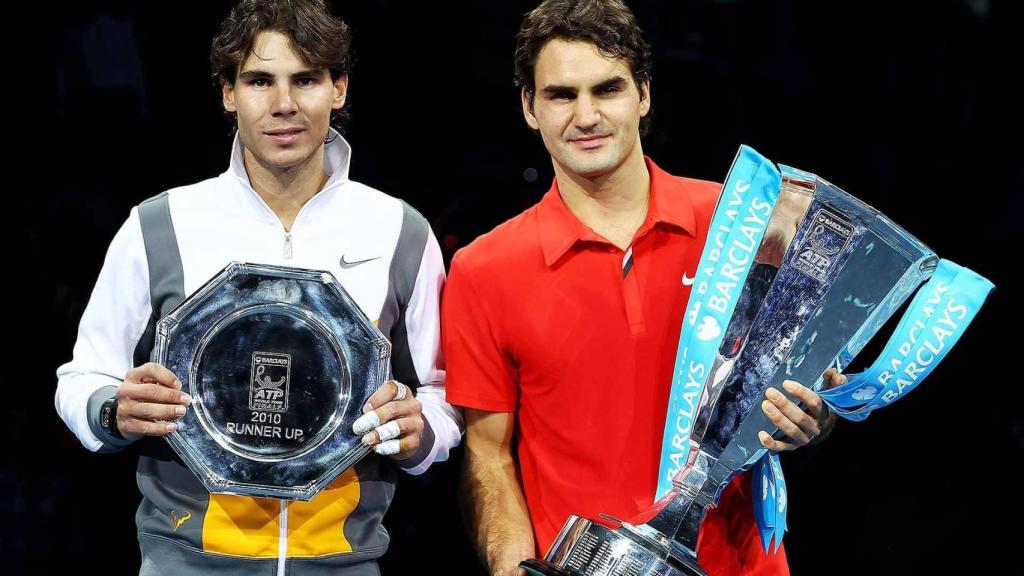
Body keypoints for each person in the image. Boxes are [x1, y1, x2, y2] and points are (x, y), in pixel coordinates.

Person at [54, 1, 461, 574]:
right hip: (186, 560)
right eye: (259, 80)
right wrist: (111, 410)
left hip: (342, 560)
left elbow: (440, 396)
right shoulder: (160, 224)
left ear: (339, 89)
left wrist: (421, 432)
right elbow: (83, 376)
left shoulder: (400, 231)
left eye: (307, 80)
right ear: (228, 93)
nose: (284, 104)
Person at [442, 1, 840, 575]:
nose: (586, 116)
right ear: (529, 108)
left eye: (607, 89)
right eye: (561, 95)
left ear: (644, 94)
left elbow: (803, 391)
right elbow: (487, 456)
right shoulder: (484, 269)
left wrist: (812, 417)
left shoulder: (745, 226)